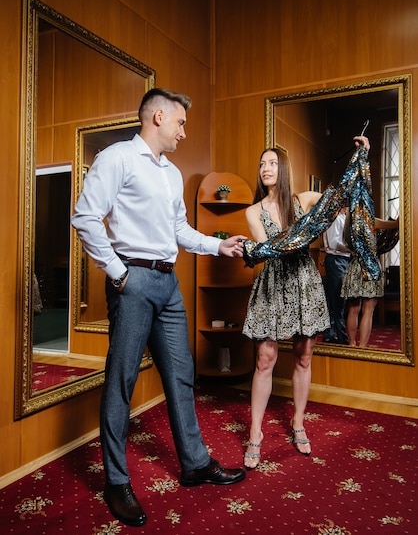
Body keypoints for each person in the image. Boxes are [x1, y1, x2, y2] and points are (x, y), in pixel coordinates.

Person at [72, 88, 246, 528]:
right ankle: (116, 480)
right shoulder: (117, 158)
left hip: (168, 283)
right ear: (159, 116)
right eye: (181, 123)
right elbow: (86, 217)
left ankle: (194, 463)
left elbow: (178, 229)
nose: (184, 132)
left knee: (181, 373)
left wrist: (217, 246)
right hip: (132, 280)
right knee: (122, 379)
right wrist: (118, 274)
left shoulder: (170, 172)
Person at [242, 136, 370, 468]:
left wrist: (360, 156)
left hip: (304, 283)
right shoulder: (252, 211)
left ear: (282, 168)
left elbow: (339, 198)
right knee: (265, 359)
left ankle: (298, 422)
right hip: (275, 283)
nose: (265, 168)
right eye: (261, 164)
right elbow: (271, 248)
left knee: (303, 356)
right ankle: (255, 432)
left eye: (272, 163)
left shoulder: (305, 200)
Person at [341, 214, 399, 347]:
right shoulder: (370, 220)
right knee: (368, 310)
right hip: (370, 266)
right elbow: (395, 225)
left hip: (354, 265)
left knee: (353, 309)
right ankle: (362, 347)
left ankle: (351, 343)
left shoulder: (349, 223)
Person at [322, 207, 350, 344]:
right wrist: (352, 249)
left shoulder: (345, 219)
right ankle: (335, 336)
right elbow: (334, 244)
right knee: (336, 299)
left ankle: (335, 334)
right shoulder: (335, 219)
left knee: (340, 299)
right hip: (335, 260)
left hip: (344, 260)